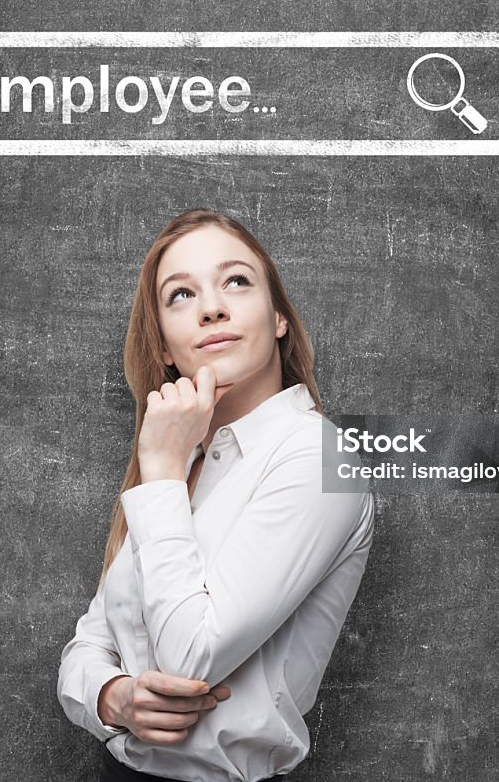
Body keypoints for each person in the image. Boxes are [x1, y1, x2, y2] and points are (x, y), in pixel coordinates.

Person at [57, 209, 374, 782]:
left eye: (236, 281)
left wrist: (158, 473)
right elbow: (87, 647)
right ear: (167, 351)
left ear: (279, 317)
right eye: (181, 294)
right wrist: (112, 698)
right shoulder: (188, 461)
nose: (211, 307)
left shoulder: (317, 458)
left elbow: (191, 659)